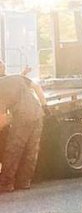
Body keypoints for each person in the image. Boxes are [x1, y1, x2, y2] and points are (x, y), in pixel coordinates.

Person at [0, 59, 47, 192]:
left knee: (13, 149)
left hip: (22, 116)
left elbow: (1, 117)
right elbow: (36, 87)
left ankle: (6, 184)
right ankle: (24, 182)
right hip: (38, 113)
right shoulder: (17, 77)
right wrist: (45, 106)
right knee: (31, 150)